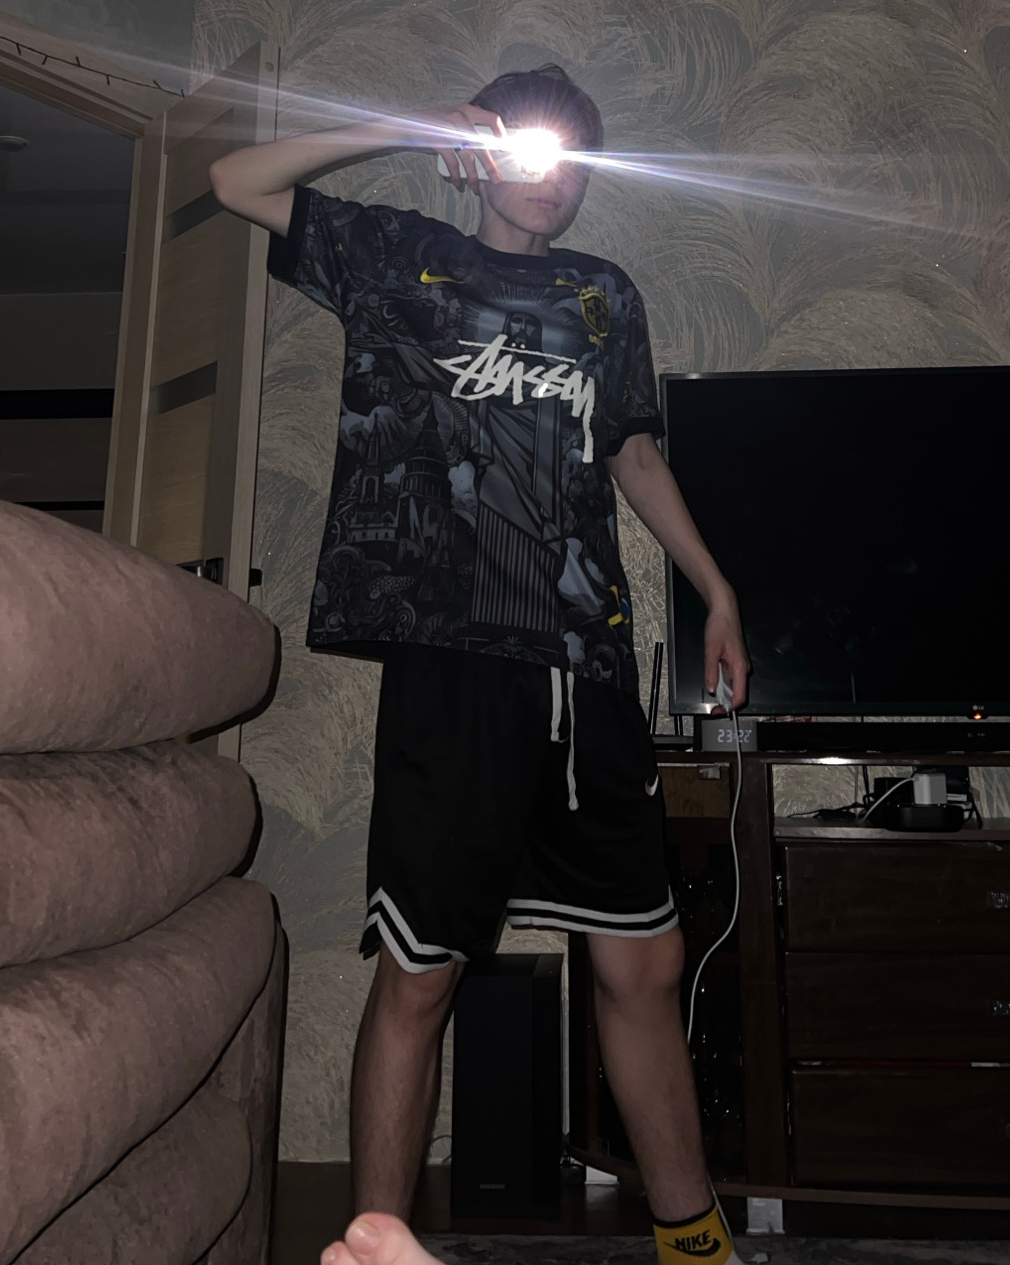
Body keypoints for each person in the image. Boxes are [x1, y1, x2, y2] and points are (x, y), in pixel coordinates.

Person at [211, 63, 749, 1265]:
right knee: (422, 969)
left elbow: (634, 452)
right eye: (527, 148)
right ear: (481, 148)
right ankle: (375, 1245)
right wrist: (397, 124)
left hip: (585, 663)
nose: (549, 180)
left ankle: (695, 1242)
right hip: (453, 662)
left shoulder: (604, 295)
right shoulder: (398, 257)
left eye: (571, 160)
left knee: (646, 960)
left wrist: (716, 586)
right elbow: (234, 178)